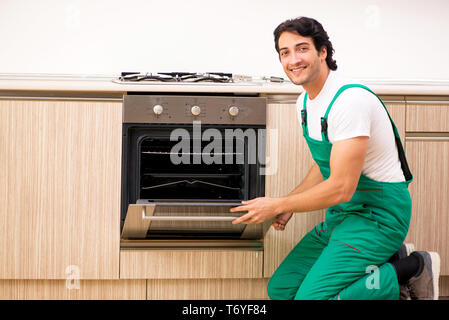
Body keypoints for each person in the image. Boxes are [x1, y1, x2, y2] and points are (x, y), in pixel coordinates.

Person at [230, 16, 440, 300]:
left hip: (379, 217)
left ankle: (410, 269)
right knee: (280, 290)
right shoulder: (304, 102)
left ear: (323, 52)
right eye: (285, 52)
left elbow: (342, 186)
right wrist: (290, 204)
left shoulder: (349, 101)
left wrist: (279, 203)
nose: (293, 59)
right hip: (342, 215)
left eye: (302, 48)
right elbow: (325, 164)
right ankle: (388, 260)